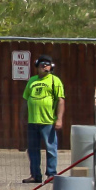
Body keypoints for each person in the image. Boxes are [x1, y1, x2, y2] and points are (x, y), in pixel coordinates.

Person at [21, 55, 65, 183]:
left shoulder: (54, 81)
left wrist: (59, 119)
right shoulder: (32, 81)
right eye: (42, 64)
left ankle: (51, 174)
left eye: (47, 64)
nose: (45, 66)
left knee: (51, 149)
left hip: (48, 122)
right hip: (32, 121)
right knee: (33, 150)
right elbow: (25, 100)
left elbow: (61, 101)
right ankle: (35, 175)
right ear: (37, 66)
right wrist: (22, 116)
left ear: (51, 67)